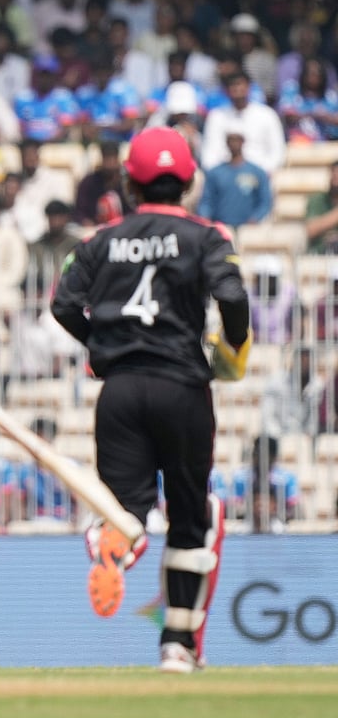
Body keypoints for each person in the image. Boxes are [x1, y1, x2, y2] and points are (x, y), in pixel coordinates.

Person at [52, 126, 250, 673]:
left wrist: (99, 345)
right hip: (182, 386)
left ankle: (113, 546)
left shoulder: (100, 239)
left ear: (131, 182)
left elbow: (62, 303)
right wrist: (232, 350)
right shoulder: (206, 234)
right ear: (188, 180)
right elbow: (232, 294)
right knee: (192, 515)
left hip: (119, 392)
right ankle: (177, 647)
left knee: (127, 508)